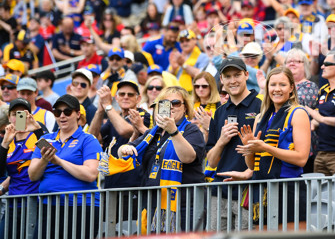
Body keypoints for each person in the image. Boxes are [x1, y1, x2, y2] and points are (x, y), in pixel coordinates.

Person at [115, 86, 205, 233]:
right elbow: (124, 151)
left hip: (184, 204)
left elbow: (188, 157)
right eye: (164, 103)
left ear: (185, 108)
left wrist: (173, 131)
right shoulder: (153, 132)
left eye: (175, 103)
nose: (170, 107)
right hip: (152, 203)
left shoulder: (191, 130)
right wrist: (125, 149)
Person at [238, 67, 310, 227]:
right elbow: (251, 165)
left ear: (291, 88)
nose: (277, 89)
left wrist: (265, 147)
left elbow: (301, 158)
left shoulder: (298, 113)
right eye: (273, 84)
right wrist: (249, 148)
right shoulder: (260, 118)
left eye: (282, 85)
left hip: (288, 188)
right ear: (267, 87)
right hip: (261, 189)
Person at [28, 94, 102, 239]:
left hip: (80, 205)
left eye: (67, 112)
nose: (62, 116)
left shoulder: (88, 139)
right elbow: (33, 175)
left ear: (77, 114)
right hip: (48, 206)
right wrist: (45, 159)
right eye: (57, 112)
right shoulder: (45, 139)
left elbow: (91, 174)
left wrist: (59, 161)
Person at [205, 57, 262, 231]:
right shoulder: (220, 112)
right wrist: (221, 141)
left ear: (246, 75)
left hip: (249, 190)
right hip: (219, 190)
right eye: (227, 76)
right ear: (221, 80)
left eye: (237, 75)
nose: (232, 80)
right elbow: (212, 162)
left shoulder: (261, 106)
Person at [0, 98, 48, 235]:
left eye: (22, 113)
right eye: (14, 114)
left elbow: (51, 155)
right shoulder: (7, 139)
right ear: (9, 117)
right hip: (13, 204)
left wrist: (37, 130)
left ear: (29, 115)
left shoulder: (37, 132)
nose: (18, 117)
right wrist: (4, 144)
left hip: (36, 202)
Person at [305, 51, 335, 176]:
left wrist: (319, 118)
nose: (322, 67)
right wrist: (311, 124)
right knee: (319, 195)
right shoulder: (323, 90)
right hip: (321, 152)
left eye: (326, 64)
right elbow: (319, 116)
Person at [190, 72, 220, 142]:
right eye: (197, 86)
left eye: (204, 86)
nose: (200, 89)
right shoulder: (190, 105)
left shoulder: (219, 106)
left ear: (211, 86)